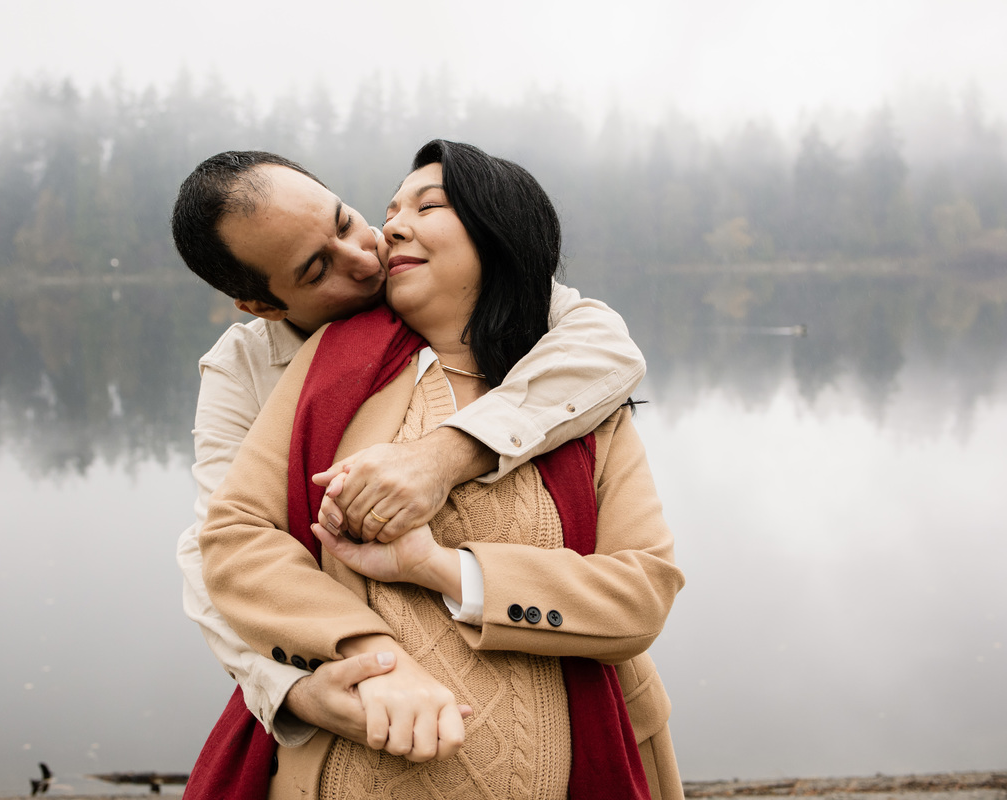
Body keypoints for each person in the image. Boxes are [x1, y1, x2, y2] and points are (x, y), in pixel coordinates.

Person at [195, 140, 685, 799]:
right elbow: (225, 547)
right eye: (316, 268)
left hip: (584, 758)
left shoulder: (578, 387)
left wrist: (440, 559)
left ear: (496, 226)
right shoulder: (295, 370)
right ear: (266, 305)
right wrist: (335, 677)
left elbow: (642, 592)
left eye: (424, 207)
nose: (378, 241)